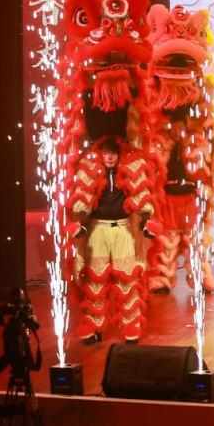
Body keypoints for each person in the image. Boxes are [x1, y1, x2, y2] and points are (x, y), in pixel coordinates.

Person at [70, 137, 158, 343]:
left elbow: (142, 199)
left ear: (119, 154)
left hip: (122, 229)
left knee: (127, 278)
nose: (110, 157)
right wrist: (81, 225)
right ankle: (93, 326)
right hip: (98, 229)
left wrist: (146, 223)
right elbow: (81, 200)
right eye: (106, 153)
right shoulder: (90, 170)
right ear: (101, 154)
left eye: (114, 153)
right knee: (95, 279)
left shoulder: (130, 171)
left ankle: (131, 328)